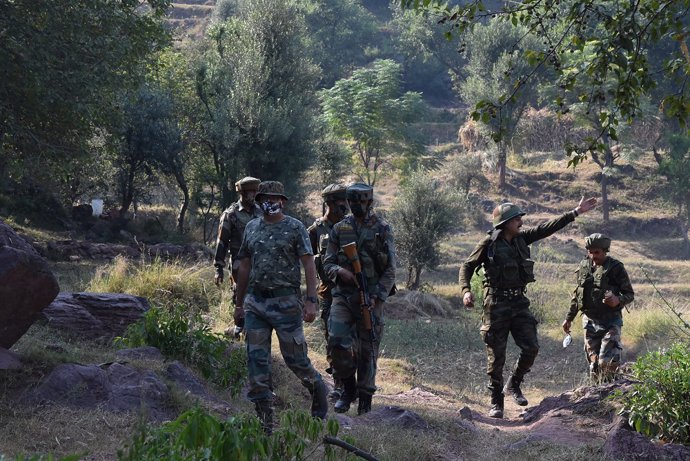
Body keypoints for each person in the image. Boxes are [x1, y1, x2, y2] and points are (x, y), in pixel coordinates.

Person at [459, 197, 597, 418]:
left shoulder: (522, 239)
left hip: (519, 303)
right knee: (497, 356)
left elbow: (546, 228)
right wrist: (466, 291)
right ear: (505, 223)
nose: (521, 223)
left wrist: (576, 212)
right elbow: (467, 266)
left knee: (531, 347)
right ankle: (496, 401)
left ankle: (514, 383)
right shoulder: (488, 244)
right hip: (496, 304)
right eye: (516, 219)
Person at [233, 180, 328, 432]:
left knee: (295, 359)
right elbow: (244, 266)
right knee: (256, 360)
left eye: (274, 199)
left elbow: (309, 264)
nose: (269, 203)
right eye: (265, 198)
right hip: (256, 303)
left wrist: (310, 300)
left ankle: (317, 388)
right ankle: (265, 421)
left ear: (283, 202)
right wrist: (239, 303)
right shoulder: (252, 227)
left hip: (286, 303)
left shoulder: (295, 227)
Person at [323, 182, 396, 415]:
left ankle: (365, 401)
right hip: (343, 296)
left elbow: (391, 270)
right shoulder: (340, 229)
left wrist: (376, 296)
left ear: (370, 202)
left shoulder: (383, 229)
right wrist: (340, 272)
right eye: (352, 201)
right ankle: (348, 387)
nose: (356, 206)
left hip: (371, 296)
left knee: (368, 349)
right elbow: (327, 262)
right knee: (336, 341)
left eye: (361, 202)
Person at [562, 233, 634, 381]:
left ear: (605, 251)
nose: (594, 256)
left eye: (597, 252)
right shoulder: (584, 266)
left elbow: (629, 294)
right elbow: (578, 295)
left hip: (611, 322)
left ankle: (613, 389)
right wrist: (569, 318)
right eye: (591, 252)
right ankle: (596, 395)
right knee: (594, 365)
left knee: (606, 362)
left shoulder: (615, 268)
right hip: (590, 322)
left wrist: (617, 300)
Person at [307, 183, 350, 401]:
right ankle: (339, 386)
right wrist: (310, 297)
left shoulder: (353, 227)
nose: (346, 207)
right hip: (329, 294)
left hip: (352, 293)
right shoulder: (315, 232)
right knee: (334, 340)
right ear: (330, 203)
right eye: (341, 202)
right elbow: (307, 262)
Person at [213, 176, 263, 337]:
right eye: (252, 191)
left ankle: (249, 331)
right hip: (239, 265)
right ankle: (239, 330)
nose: (255, 194)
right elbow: (222, 242)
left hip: (260, 264)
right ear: (243, 192)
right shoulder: (231, 214)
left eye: (256, 191)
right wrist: (218, 268)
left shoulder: (261, 212)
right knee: (240, 297)